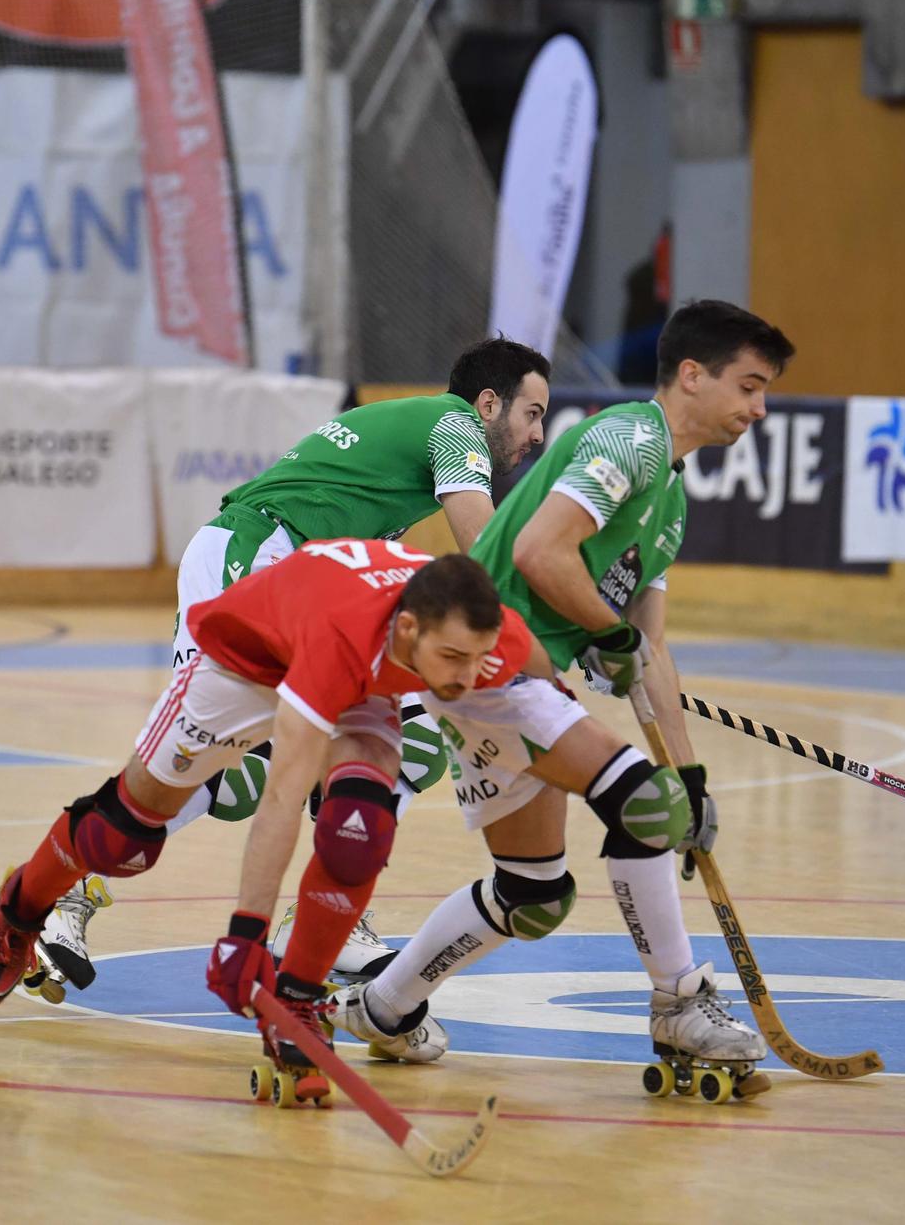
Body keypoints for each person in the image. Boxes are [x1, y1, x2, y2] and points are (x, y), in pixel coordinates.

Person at [327, 300, 793, 1096]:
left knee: (532, 890)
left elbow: (652, 652)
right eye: (748, 386)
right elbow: (544, 553)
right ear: (691, 374)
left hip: (514, 681)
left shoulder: (670, 507)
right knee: (641, 809)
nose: (758, 408)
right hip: (493, 661)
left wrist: (689, 775)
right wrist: (610, 639)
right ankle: (679, 1000)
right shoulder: (628, 439)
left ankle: (382, 1006)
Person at [32, 338, 551, 991]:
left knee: (414, 742)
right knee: (221, 758)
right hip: (254, 556)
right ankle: (69, 890)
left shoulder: (398, 456)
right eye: (531, 413)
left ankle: (327, 923)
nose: (536, 434)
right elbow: (484, 543)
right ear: (488, 403)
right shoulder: (455, 426)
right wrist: (544, 632)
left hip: (305, 575)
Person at [0, 543, 542, 1103]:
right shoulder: (338, 640)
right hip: (246, 661)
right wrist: (245, 936)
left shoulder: (482, 638)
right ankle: (21, 909)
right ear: (412, 630)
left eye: (478, 660)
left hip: (369, 668)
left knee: (358, 834)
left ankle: (297, 1000)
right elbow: (281, 799)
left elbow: (551, 701)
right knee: (123, 840)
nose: (467, 680)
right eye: (454, 661)